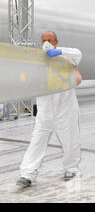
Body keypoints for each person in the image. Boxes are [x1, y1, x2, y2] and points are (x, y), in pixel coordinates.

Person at [16, 31, 83, 187]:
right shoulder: (38, 58)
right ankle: (27, 174)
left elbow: (78, 53)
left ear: (56, 41)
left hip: (65, 110)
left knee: (70, 141)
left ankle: (71, 169)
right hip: (45, 110)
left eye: (50, 40)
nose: (46, 43)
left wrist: (59, 52)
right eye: (44, 40)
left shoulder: (67, 56)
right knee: (36, 142)